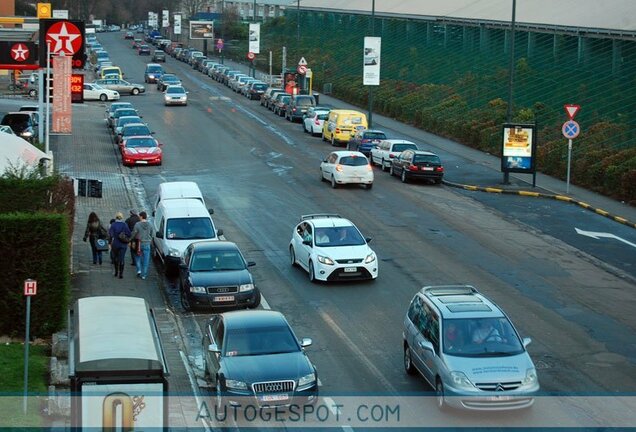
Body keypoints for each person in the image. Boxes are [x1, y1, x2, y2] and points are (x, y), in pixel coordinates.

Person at [108, 212, 132, 279]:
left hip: (115, 244)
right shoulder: (125, 225)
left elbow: (111, 235)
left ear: (116, 217)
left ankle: (116, 272)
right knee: (122, 259)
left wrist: (109, 243)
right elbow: (129, 234)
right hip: (123, 245)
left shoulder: (113, 225)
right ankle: (121, 274)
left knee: (115, 258)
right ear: (122, 217)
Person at [130, 211, 153, 279]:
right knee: (146, 260)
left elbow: (134, 233)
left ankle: (139, 270)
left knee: (137, 257)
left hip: (139, 243)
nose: (139, 217)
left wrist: (131, 239)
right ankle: (144, 275)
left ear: (141, 216)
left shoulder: (137, 224)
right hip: (147, 244)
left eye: (139, 216)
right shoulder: (150, 224)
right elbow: (151, 233)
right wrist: (149, 239)